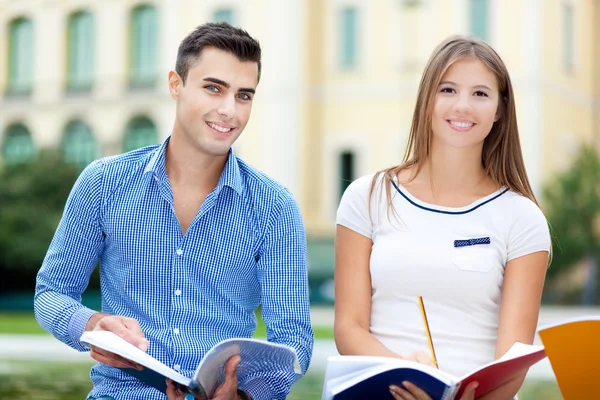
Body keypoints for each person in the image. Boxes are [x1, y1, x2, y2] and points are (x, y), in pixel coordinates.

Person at [34, 22, 314, 400]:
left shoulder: (274, 208)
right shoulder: (103, 183)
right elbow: (51, 293)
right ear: (175, 85)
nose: (229, 110)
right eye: (213, 88)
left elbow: (294, 340)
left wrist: (247, 396)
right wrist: (93, 323)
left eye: (244, 95)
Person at [334, 35, 551, 400]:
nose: (462, 106)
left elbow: (512, 365)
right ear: (427, 101)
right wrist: (411, 378)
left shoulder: (523, 219)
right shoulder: (367, 197)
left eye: (480, 94)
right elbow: (348, 328)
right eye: (447, 89)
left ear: (500, 109)